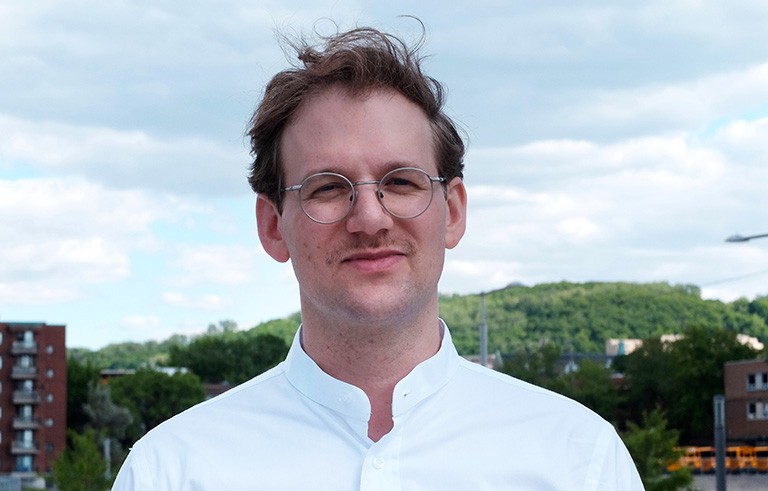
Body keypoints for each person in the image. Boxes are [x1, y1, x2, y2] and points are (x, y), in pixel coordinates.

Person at [112, 22, 644, 490]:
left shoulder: (578, 460)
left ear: (452, 211)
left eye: (402, 181)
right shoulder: (173, 470)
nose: (370, 217)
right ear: (272, 226)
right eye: (327, 188)